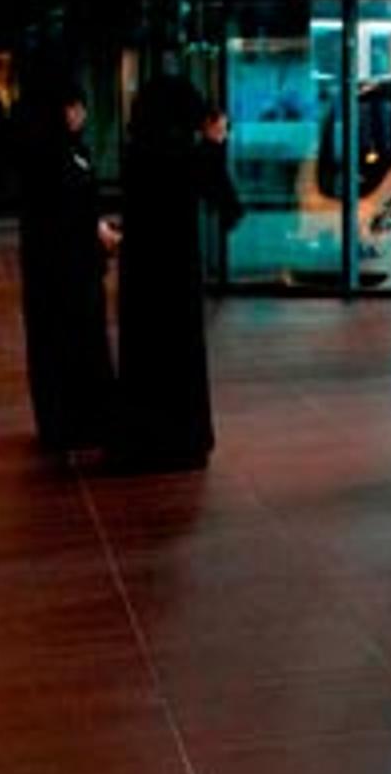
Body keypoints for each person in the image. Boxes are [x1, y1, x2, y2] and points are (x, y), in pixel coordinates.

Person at [110, 69, 240, 472]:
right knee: (179, 355)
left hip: (142, 272)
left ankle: (144, 438)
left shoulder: (137, 151)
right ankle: (179, 438)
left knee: (146, 356)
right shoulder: (185, 156)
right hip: (176, 272)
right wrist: (215, 144)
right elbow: (227, 205)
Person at [13, 78, 116, 457]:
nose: (81, 114)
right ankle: (66, 422)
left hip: (75, 265)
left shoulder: (72, 150)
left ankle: (83, 419)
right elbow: (58, 213)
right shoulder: (49, 156)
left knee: (78, 339)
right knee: (63, 341)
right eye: (75, 107)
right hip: (61, 269)